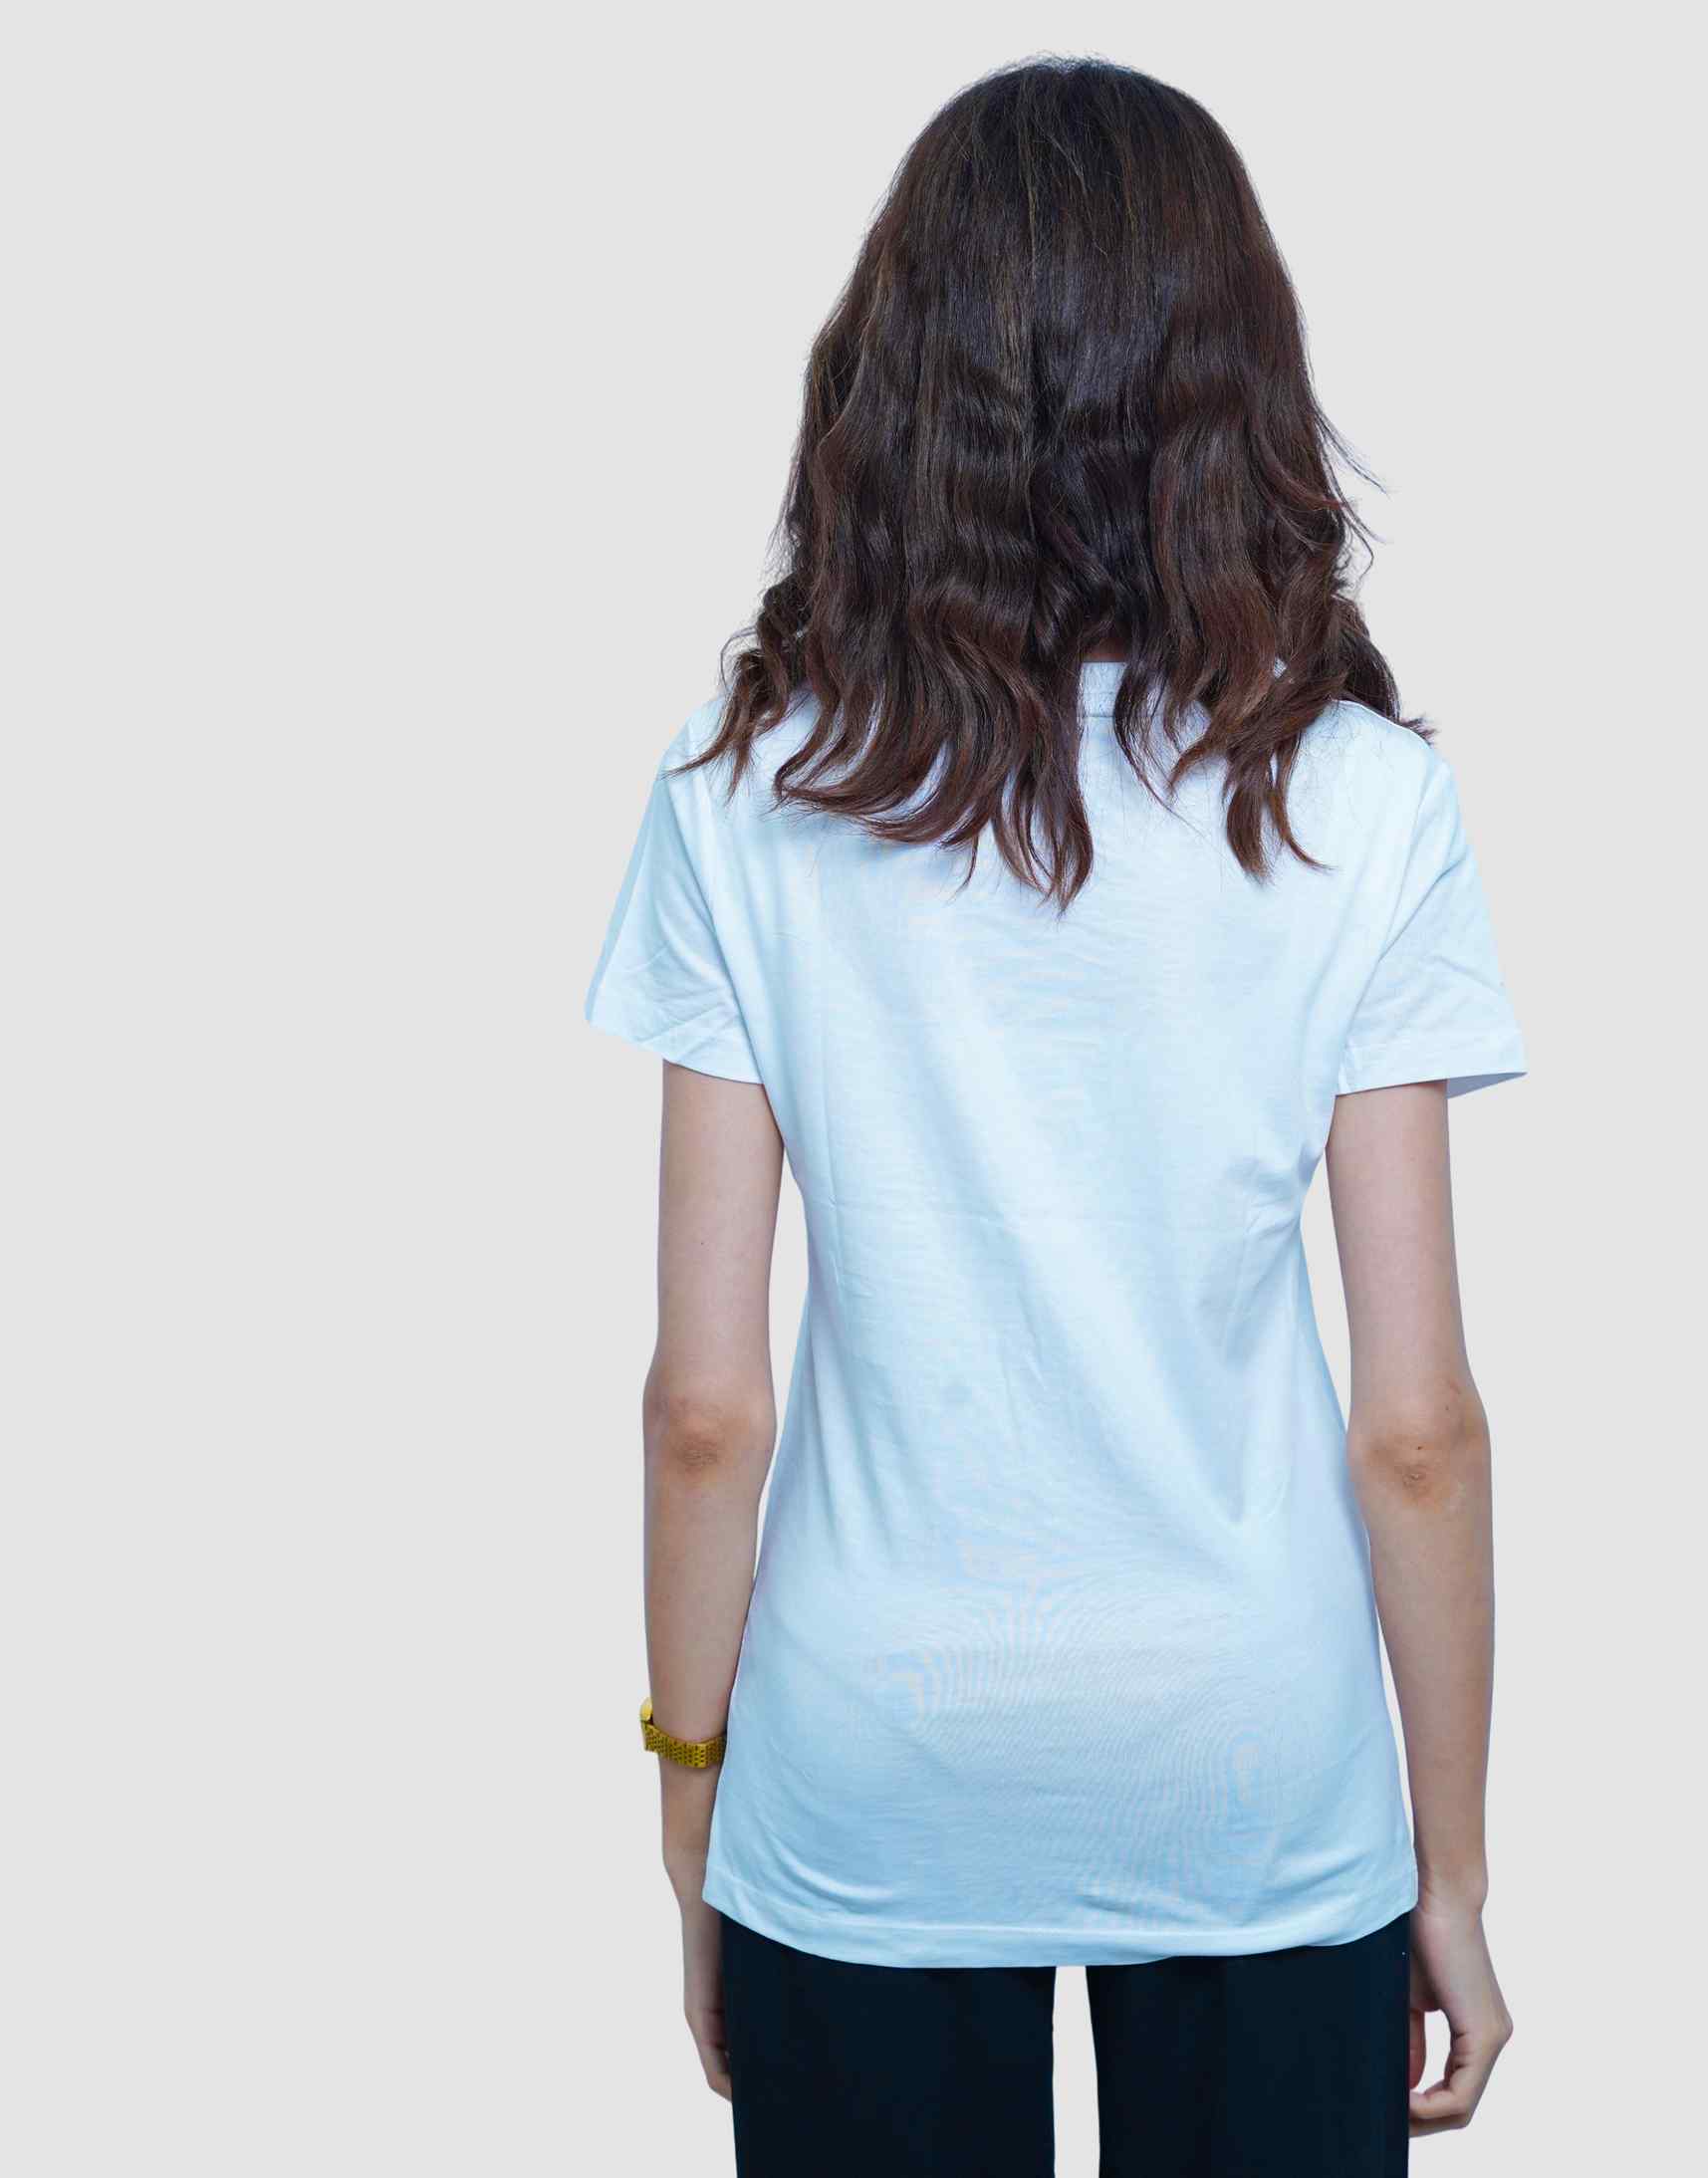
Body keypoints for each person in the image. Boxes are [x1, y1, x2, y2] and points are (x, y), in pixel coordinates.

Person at [587, 56, 1525, 2176]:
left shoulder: (746, 795)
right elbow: (1419, 1428)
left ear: (895, 382)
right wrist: (1451, 1867)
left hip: (866, 1765)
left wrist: (691, 1804)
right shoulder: (1365, 803)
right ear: (1234, 382)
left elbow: (704, 1410)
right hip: (1258, 1763)